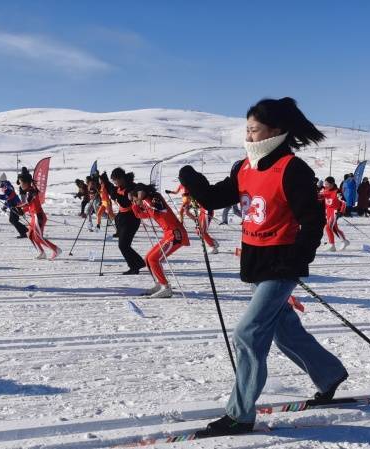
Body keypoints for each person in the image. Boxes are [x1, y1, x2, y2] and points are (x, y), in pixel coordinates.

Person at [179, 97, 347, 438]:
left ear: (276, 131)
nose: (249, 136)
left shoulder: (292, 169)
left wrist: (298, 260)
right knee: (285, 331)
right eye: (247, 129)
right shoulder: (244, 167)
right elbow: (213, 199)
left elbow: (313, 222)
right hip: (255, 261)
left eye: (254, 130)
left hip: (282, 264)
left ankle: (239, 415)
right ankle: (329, 374)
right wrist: (191, 180)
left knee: (248, 334)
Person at [130, 183, 189, 298]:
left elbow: (160, 208)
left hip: (175, 234)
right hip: (167, 234)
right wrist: (135, 207)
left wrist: (143, 200)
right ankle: (159, 284)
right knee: (148, 258)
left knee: (154, 259)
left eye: (134, 199)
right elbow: (143, 215)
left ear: (139, 194)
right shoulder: (147, 202)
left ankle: (165, 287)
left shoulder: (153, 198)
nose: (135, 202)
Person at [101, 168, 147, 275]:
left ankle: (134, 267)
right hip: (122, 218)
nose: (115, 183)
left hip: (131, 218)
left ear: (121, 178)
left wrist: (114, 195)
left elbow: (125, 202)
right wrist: (104, 179)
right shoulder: (119, 187)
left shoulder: (131, 187)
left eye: (115, 180)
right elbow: (111, 188)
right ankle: (139, 263)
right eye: (113, 181)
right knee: (124, 245)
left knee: (123, 245)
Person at [19, 170, 61, 260]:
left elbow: (27, 203)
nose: (20, 185)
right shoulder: (28, 191)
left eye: (21, 182)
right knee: (30, 235)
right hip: (34, 217)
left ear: (26, 183)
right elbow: (29, 206)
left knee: (38, 237)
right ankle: (41, 253)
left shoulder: (32, 191)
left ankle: (56, 249)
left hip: (39, 216)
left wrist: (18, 207)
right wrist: (22, 211)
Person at [319, 176, 349, 251]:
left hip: (335, 212)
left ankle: (331, 244)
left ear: (332, 184)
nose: (325, 185)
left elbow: (344, 202)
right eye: (325, 184)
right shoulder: (325, 190)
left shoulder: (337, 191)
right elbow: (320, 196)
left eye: (327, 184)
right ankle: (344, 241)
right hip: (328, 212)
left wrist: (341, 211)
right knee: (335, 228)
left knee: (328, 227)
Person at [0, 173, 28, 238]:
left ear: (2, 181)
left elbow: (7, 196)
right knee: (13, 220)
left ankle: (24, 231)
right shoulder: (7, 185)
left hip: (15, 205)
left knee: (13, 220)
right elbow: (9, 198)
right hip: (14, 204)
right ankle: (24, 230)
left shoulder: (5, 186)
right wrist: (5, 206)